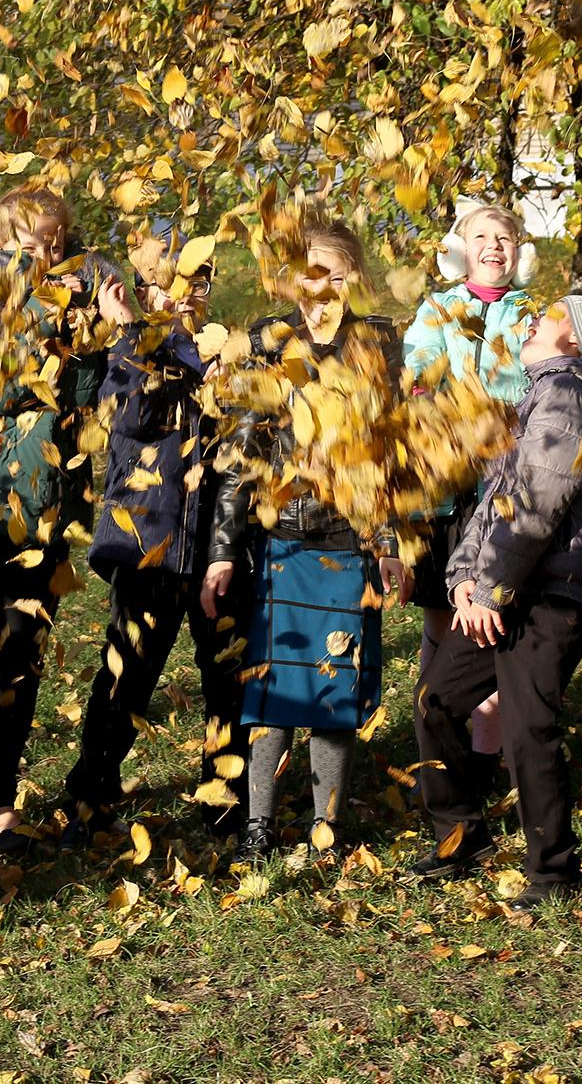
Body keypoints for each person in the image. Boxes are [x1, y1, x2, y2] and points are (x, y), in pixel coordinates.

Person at [409, 296, 582, 911]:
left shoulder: (567, 395)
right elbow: (497, 502)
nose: (536, 319)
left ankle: (554, 871)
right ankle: (461, 835)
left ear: (576, 339)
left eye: (553, 314)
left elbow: (534, 506)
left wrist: (488, 587)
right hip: (505, 588)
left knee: (529, 726)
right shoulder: (540, 397)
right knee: (436, 699)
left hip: (549, 591)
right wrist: (463, 575)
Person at [203, 219, 409, 861]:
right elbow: (242, 452)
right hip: (281, 545)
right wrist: (222, 551)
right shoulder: (269, 342)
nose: (321, 289)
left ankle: (327, 829)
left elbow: (388, 454)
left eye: (335, 275)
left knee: (333, 690)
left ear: (356, 280)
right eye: (309, 275)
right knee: (273, 690)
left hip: (348, 545)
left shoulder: (378, 343)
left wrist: (389, 542)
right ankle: (258, 826)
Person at [0, 186, 122, 854]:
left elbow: (89, 394)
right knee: (10, 642)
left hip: (53, 498)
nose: (49, 249)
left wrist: (96, 333)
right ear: (3, 241)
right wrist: (55, 319)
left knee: (27, 648)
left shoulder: (86, 296)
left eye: (56, 237)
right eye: (33, 238)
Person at [58, 228, 250, 847]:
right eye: (169, 283)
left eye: (199, 280)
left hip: (218, 545)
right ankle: (90, 797)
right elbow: (133, 416)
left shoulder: (226, 351)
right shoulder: (126, 350)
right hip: (148, 543)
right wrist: (129, 333)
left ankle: (225, 801)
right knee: (127, 674)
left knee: (227, 676)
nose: (186, 293)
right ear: (141, 291)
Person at [404, 204, 538, 773]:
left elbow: (540, 377)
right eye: (481, 236)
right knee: (442, 616)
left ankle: (486, 751)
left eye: (504, 238)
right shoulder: (439, 307)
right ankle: (437, 744)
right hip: (446, 486)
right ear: (461, 249)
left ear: (520, 252)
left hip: (503, 485)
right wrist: (426, 389)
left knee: (490, 616)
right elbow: (418, 362)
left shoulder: (530, 312)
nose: (493, 246)